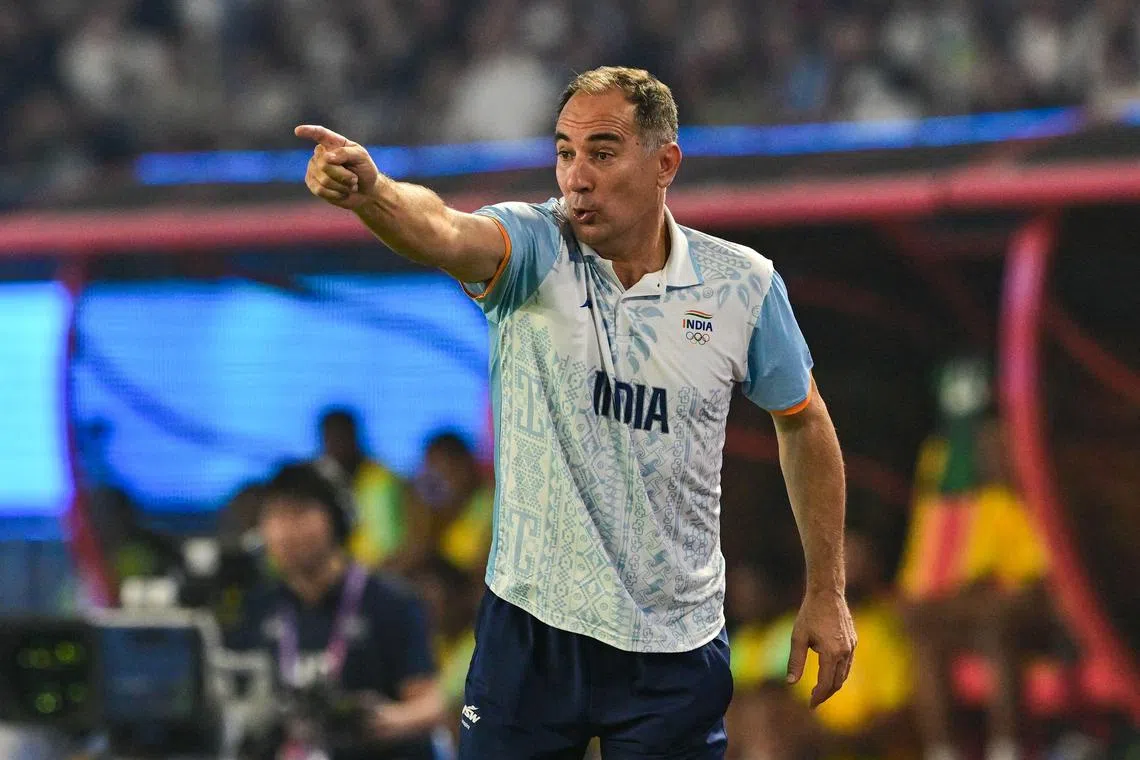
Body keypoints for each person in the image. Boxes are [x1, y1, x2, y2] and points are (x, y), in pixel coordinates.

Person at [296, 65, 855, 759]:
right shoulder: (533, 247)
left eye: (602, 152)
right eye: (565, 152)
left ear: (665, 164)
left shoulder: (742, 286)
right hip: (533, 628)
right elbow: (443, 230)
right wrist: (374, 192)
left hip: (673, 643)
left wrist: (826, 589)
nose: (576, 177)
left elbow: (803, 421)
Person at [230, 462, 445, 760]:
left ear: (338, 519)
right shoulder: (258, 607)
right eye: (275, 516)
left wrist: (387, 721)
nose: (286, 531)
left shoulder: (390, 601)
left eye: (299, 513)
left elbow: (429, 703)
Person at [313, 407, 415, 572]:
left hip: (380, 569)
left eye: (342, 437)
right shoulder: (315, 480)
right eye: (331, 439)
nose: (337, 445)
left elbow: (388, 540)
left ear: (355, 437)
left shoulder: (381, 479)